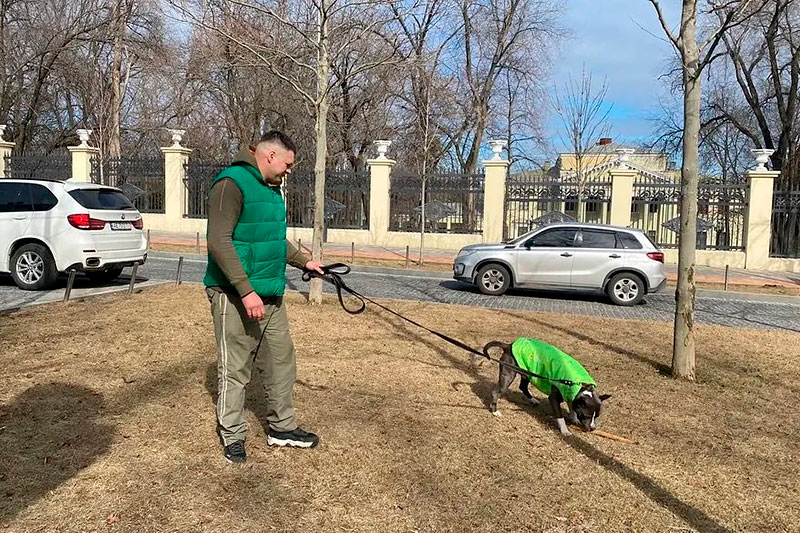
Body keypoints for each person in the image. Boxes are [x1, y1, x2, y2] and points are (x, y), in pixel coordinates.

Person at [203, 130, 324, 464]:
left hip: (270, 294)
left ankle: (282, 428)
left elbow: (271, 239)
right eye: (287, 164)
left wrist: (305, 261)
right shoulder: (231, 183)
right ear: (271, 155)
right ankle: (232, 436)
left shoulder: (271, 191)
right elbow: (219, 242)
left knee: (282, 361)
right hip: (234, 294)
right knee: (235, 369)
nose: (288, 171)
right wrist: (246, 291)